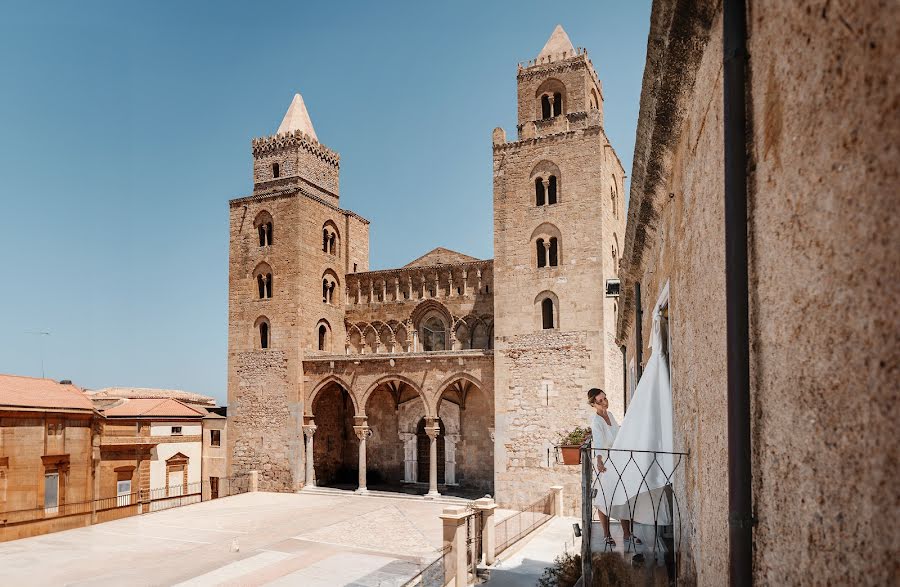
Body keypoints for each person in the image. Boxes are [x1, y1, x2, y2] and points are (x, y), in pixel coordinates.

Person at [588, 388, 641, 548]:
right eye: (601, 400)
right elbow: (597, 441)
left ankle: (627, 533)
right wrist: (598, 460)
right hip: (604, 463)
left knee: (624, 495)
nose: (605, 402)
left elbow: (619, 435)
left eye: (605, 398)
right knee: (604, 498)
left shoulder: (609, 415)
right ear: (593, 404)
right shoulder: (596, 420)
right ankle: (606, 535)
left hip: (618, 460)